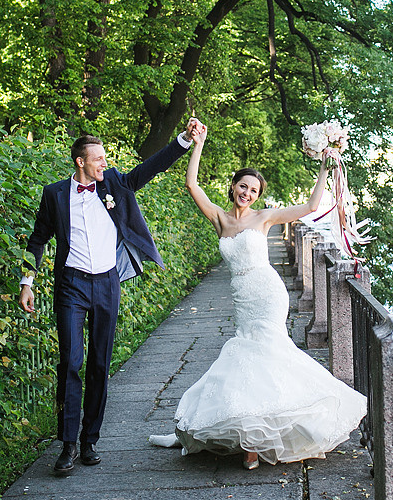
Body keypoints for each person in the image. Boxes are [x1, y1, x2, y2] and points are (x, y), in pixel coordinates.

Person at [148, 124, 366, 469]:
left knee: (264, 353)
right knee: (246, 359)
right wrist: (198, 144)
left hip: (267, 293)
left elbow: (310, 205)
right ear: (233, 186)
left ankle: (256, 443)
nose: (247, 193)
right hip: (242, 299)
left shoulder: (264, 218)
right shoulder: (220, 219)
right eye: (243, 186)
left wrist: (324, 164)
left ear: (258, 195)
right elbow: (191, 184)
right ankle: (210, 433)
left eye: (253, 190)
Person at [19, 119, 201, 475]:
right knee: (71, 363)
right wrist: (27, 281)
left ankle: (90, 440)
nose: (104, 162)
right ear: (80, 162)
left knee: (100, 363)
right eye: (98, 158)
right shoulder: (54, 194)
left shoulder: (116, 182)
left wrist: (183, 139)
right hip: (70, 285)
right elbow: (38, 239)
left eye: (105, 158)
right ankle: (67, 444)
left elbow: (150, 168)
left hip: (106, 284)